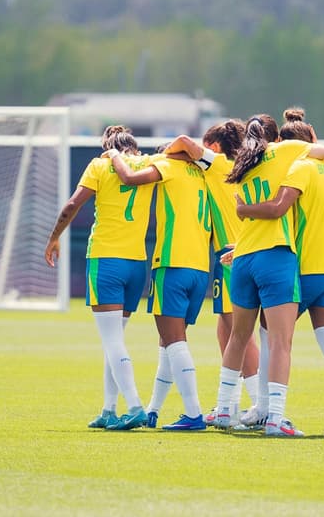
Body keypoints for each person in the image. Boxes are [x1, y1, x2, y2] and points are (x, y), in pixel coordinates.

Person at [213, 114, 324, 437]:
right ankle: (275, 419)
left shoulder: (242, 166)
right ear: (275, 137)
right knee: (281, 342)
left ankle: (224, 410)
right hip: (276, 256)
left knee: (238, 337)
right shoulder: (286, 152)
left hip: (243, 259)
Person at [44, 125, 150, 431]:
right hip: (136, 264)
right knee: (113, 340)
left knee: (112, 341)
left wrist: (54, 238)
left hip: (106, 260)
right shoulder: (149, 165)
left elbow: (72, 205)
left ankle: (134, 407)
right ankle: (108, 409)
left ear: (108, 146)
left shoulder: (101, 165)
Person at [109, 136, 212, 431]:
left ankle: (194, 414)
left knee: (175, 343)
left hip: (172, 264)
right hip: (199, 269)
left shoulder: (167, 166)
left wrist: (114, 154)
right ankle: (154, 409)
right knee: (168, 342)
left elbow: (128, 178)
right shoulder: (201, 173)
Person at [163, 122, 261, 427]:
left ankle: (260, 405)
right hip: (237, 253)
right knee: (225, 331)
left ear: (214, 146)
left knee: (240, 333)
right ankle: (229, 407)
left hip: (233, 254)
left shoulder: (217, 164)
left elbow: (180, 139)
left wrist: (161, 158)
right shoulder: (241, 168)